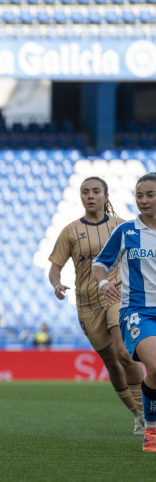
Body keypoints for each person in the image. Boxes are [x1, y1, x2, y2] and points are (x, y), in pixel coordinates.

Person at [48, 176, 145, 435]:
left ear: (106, 195)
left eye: (95, 191)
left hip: (117, 295)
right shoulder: (70, 230)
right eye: (85, 192)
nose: (90, 196)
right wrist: (57, 285)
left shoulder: (122, 226)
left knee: (124, 353)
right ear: (80, 197)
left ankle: (148, 411)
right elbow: (55, 269)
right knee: (112, 364)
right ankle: (137, 414)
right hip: (86, 303)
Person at [93, 172, 156, 452]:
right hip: (138, 312)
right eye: (139, 195)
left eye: (150, 195)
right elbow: (100, 264)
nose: (143, 200)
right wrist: (104, 282)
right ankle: (151, 432)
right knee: (154, 366)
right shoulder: (126, 232)